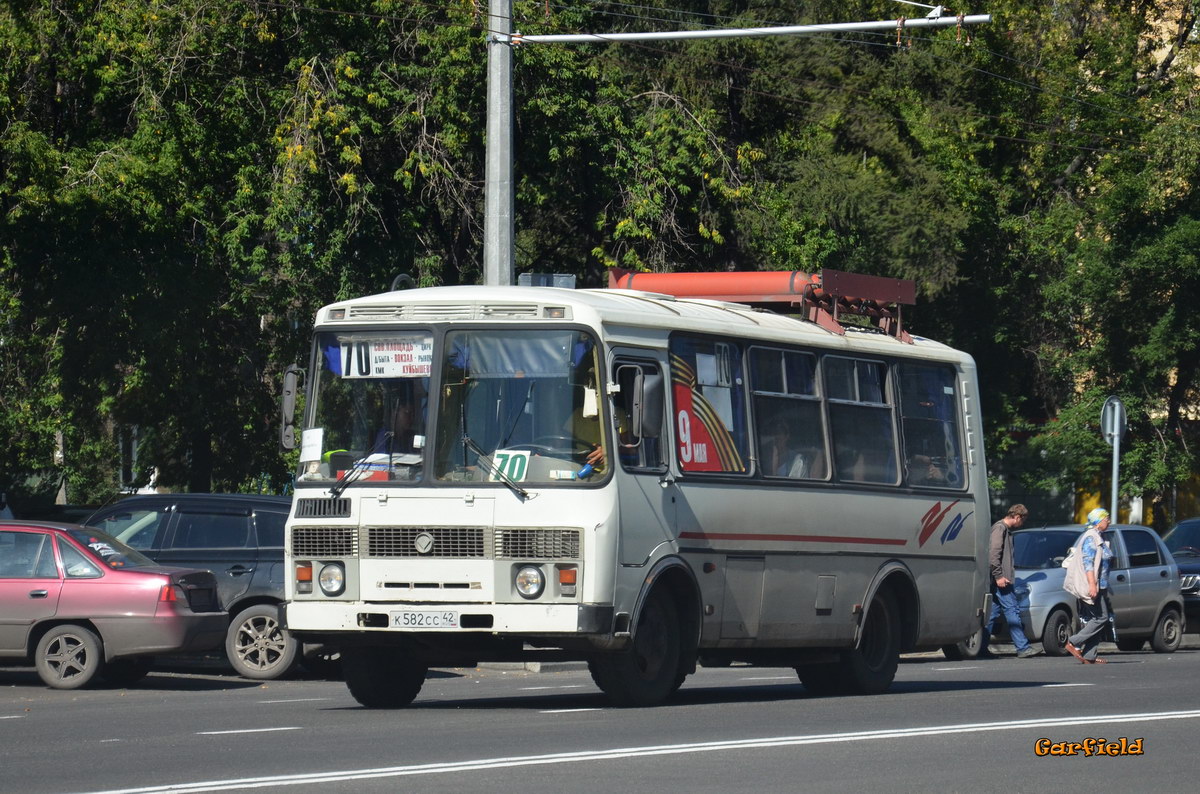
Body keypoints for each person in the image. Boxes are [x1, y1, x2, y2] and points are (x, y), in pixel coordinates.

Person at [980, 503, 1039, 658]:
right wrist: (999, 576)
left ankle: (981, 648)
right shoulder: (1000, 529)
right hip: (1002, 580)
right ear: (1017, 517)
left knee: (992, 615)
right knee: (1012, 611)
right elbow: (993, 555)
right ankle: (1023, 647)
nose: (1022, 524)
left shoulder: (1003, 529)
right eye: (1022, 520)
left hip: (999, 579)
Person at [1065, 508, 1115, 664]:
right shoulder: (1090, 538)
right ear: (1098, 521)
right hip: (1093, 586)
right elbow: (1088, 564)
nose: (1109, 521)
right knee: (1101, 617)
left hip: (1102, 585)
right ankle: (1073, 642)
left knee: (1097, 618)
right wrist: (1092, 585)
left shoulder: (1099, 536)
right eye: (1106, 519)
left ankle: (1089, 655)